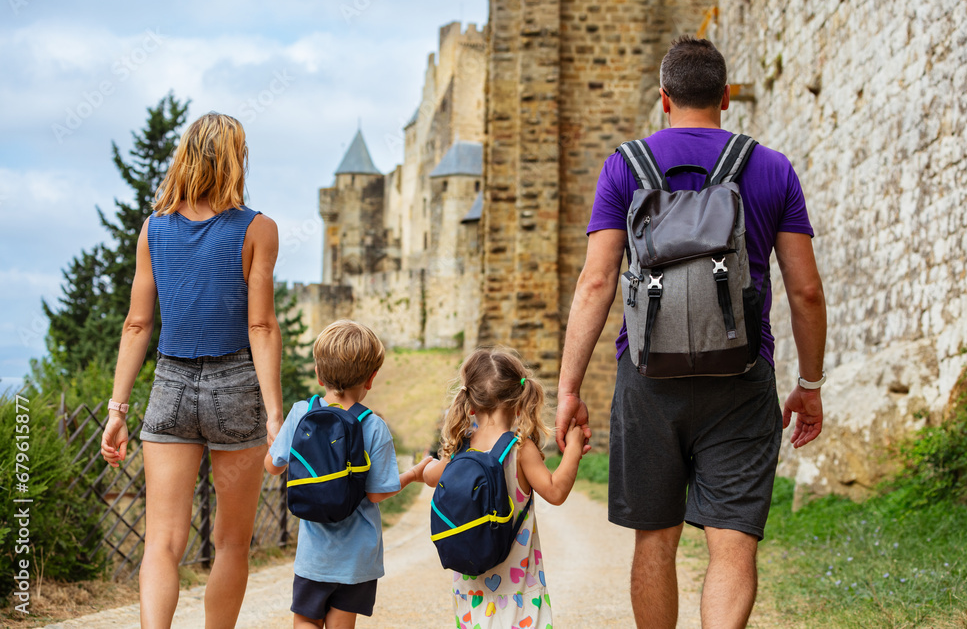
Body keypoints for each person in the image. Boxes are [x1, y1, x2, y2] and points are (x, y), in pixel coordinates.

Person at [555, 36, 827, 629]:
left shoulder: (624, 168)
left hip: (648, 380)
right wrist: (809, 383)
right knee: (732, 546)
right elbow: (806, 291)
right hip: (742, 375)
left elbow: (596, 284)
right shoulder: (771, 167)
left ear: (663, 99)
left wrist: (568, 388)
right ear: (726, 98)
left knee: (654, 540)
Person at [100, 112, 283, 629]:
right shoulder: (258, 229)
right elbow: (263, 326)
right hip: (235, 389)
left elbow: (137, 325)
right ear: (236, 159)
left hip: (170, 386)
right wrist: (273, 414)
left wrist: (118, 410)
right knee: (230, 542)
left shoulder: (153, 228)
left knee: (161, 541)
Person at [265, 319, 431, 629]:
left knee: (305, 620)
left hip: (314, 556)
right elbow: (377, 492)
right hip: (357, 559)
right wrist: (412, 475)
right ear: (371, 379)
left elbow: (273, 466)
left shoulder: (301, 413)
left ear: (317, 373)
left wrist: (273, 439)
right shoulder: (373, 426)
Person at [423, 347, 587, 629]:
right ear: (519, 400)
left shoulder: (461, 446)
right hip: (518, 592)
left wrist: (422, 467)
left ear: (470, 402)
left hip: (470, 591)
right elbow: (556, 492)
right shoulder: (519, 449)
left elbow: (430, 476)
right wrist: (573, 447)